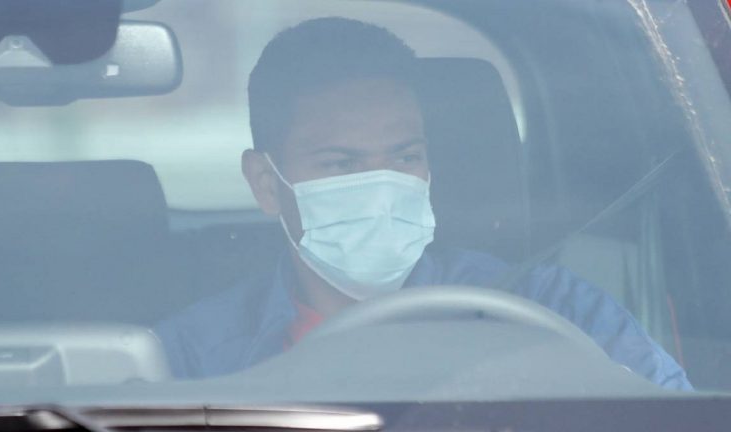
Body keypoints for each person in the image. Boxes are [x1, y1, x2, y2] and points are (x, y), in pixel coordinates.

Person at [156, 17, 692, 390]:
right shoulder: (197, 357)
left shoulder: (556, 311)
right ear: (266, 184)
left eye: (404, 157)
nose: (382, 186)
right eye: (341, 164)